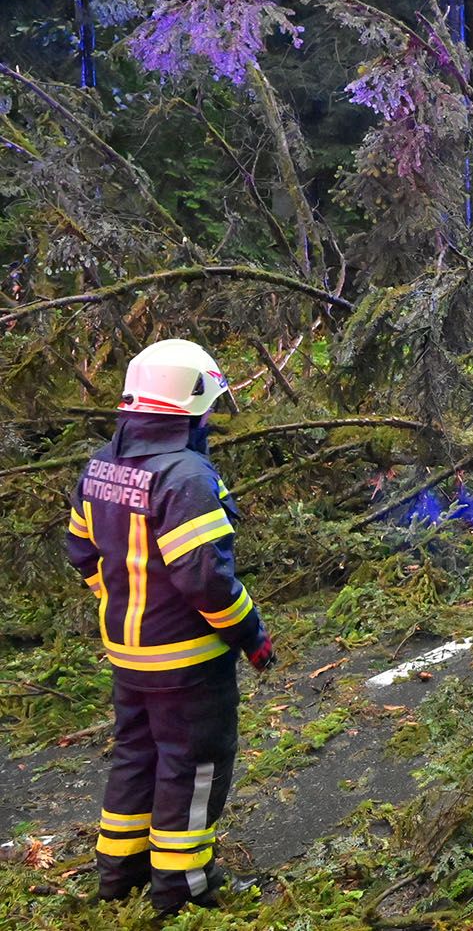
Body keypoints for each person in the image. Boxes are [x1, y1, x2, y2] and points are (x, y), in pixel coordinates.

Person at [67, 339, 274, 916]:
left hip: (128, 656)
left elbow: (83, 551)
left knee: (137, 756)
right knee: (193, 764)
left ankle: (119, 875)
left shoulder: (103, 464)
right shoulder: (184, 476)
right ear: (191, 404)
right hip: (186, 663)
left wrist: (123, 602)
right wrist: (251, 635)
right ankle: (183, 890)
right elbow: (206, 580)